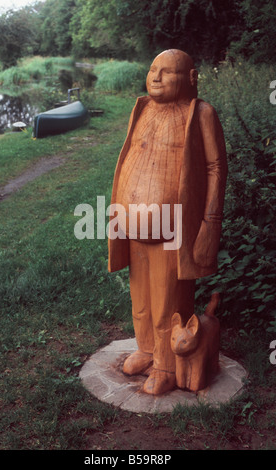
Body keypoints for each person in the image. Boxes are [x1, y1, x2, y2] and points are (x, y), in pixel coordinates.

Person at [108, 49, 228, 395]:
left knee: (168, 298)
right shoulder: (143, 108)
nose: (156, 77)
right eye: (152, 69)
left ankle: (166, 362)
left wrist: (210, 221)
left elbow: (216, 167)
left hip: (174, 228)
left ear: (191, 78)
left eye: (167, 72)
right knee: (141, 295)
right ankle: (147, 348)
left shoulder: (201, 112)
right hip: (132, 224)